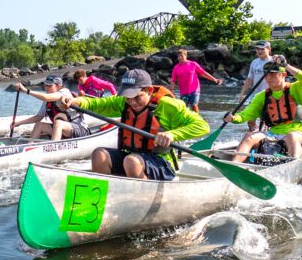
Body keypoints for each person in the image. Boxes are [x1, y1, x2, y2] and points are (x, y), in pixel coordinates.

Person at [60, 69, 209, 180]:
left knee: (131, 161)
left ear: (149, 90)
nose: (132, 102)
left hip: (161, 163)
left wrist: (172, 134)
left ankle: (141, 201)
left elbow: (202, 126)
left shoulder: (168, 106)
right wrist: (75, 101)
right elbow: (97, 103)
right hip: (131, 157)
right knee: (99, 155)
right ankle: (107, 197)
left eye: (137, 97)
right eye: (128, 97)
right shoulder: (123, 102)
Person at [222, 56, 302, 163]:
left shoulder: (296, 89)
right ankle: (234, 165)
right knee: (249, 136)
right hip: (272, 134)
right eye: (267, 74)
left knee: (291, 136)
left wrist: (286, 65)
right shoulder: (261, 96)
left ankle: (293, 164)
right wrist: (233, 118)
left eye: (273, 74)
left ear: (283, 75)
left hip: (297, 132)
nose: (269, 77)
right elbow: (246, 114)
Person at [12, 74, 90, 141]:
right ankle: (29, 148)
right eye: (45, 85)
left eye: (49, 85)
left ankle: (52, 148)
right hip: (63, 130)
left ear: (58, 86)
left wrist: (26, 90)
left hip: (79, 129)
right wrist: (18, 123)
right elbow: (38, 117)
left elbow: (45, 97)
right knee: (39, 125)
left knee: (58, 123)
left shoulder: (64, 92)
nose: (46, 87)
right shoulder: (47, 101)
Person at [237, 40, 274, 132]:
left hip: (270, 95)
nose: (259, 51)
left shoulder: (274, 61)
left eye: (262, 49)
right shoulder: (254, 62)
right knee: (250, 119)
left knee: (265, 120)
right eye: (257, 49)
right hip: (255, 95)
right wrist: (242, 93)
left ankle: (265, 136)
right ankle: (254, 133)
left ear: (269, 49)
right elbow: (249, 79)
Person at [169, 48, 221, 113]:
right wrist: (171, 90)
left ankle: (198, 119)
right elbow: (173, 80)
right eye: (178, 56)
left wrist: (214, 79)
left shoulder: (193, 64)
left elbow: (203, 73)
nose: (179, 57)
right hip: (183, 91)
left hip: (195, 89)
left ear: (185, 56)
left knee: (194, 105)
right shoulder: (176, 68)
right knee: (183, 109)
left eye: (181, 56)